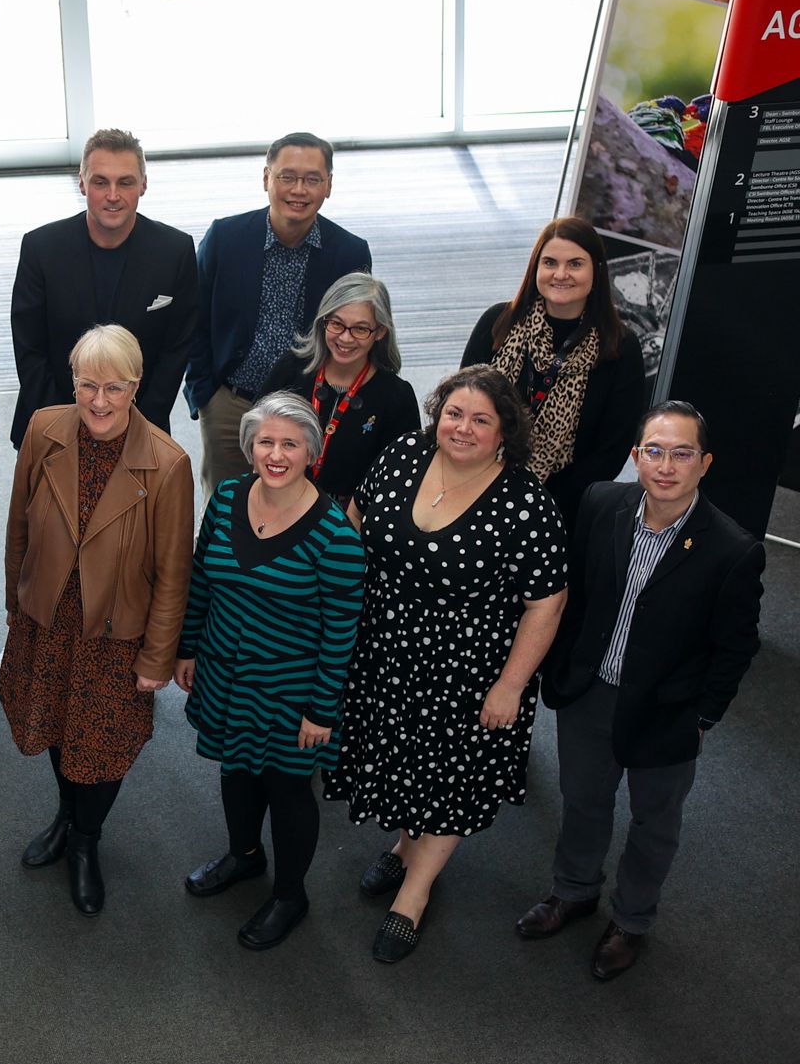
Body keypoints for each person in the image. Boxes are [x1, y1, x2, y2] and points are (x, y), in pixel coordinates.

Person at [323, 365, 568, 963]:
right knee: (405, 763)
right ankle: (406, 847)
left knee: (447, 778)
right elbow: (355, 520)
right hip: (384, 651)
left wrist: (511, 685)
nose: (462, 428)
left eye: (481, 420)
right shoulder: (404, 454)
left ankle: (415, 893)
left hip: (467, 672)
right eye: (454, 413)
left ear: (505, 431)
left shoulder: (524, 502)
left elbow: (547, 602)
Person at [516, 401, 764, 981]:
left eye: (682, 453)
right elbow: (574, 593)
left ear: (704, 463)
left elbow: (735, 648)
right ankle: (574, 891)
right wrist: (563, 669)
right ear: (636, 457)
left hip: (667, 713)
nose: (666, 466)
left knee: (654, 823)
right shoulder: (601, 502)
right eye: (654, 451)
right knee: (583, 801)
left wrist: (703, 718)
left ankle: (631, 920)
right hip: (590, 693)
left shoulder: (733, 549)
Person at [0, 324, 194, 916]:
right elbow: (19, 527)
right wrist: (15, 607)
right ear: (74, 382)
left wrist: (157, 657)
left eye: (114, 387)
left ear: (136, 386)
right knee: (55, 725)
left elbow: (173, 574)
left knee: (104, 745)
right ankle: (66, 815)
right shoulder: (43, 430)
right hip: (49, 619)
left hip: (115, 635)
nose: (100, 401)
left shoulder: (168, 464)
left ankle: (86, 840)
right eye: (88, 385)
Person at [175, 393, 365, 950]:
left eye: (290, 444)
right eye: (265, 442)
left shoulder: (335, 537)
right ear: (249, 446)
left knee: (286, 789)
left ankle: (289, 895)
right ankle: (244, 856)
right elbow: (202, 578)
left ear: (312, 451)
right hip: (225, 671)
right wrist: (188, 648)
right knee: (235, 769)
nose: (276, 455)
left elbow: (341, 634)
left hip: (290, 691)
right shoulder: (229, 497)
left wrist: (321, 711)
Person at [185, 133, 372, 492]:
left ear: (329, 185)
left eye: (312, 179)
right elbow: (193, 317)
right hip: (230, 401)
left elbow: (357, 332)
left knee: (299, 503)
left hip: (307, 405)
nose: (299, 190)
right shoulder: (225, 238)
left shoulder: (350, 253)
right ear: (266, 178)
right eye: (287, 177)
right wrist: (204, 394)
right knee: (226, 503)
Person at [9, 127, 198, 446]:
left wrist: (134, 428)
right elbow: (30, 349)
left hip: (141, 431)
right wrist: (66, 429)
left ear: (143, 184)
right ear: (82, 183)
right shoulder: (40, 248)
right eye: (100, 182)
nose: (113, 195)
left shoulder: (175, 251)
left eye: (125, 182)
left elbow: (176, 350)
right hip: (51, 429)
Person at [461, 217, 646, 528]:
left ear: (597, 270)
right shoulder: (497, 322)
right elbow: (461, 406)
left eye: (575, 264)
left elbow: (611, 451)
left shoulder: (620, 347)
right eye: (550, 263)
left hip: (559, 510)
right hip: (473, 488)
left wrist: (534, 499)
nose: (560, 274)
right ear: (536, 267)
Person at [260, 273, 419, 510]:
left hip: (352, 518)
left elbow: (401, 475)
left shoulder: (397, 396)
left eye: (360, 329)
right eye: (336, 324)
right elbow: (257, 436)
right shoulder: (290, 370)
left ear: (380, 331)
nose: (345, 338)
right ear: (323, 321)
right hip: (280, 503)